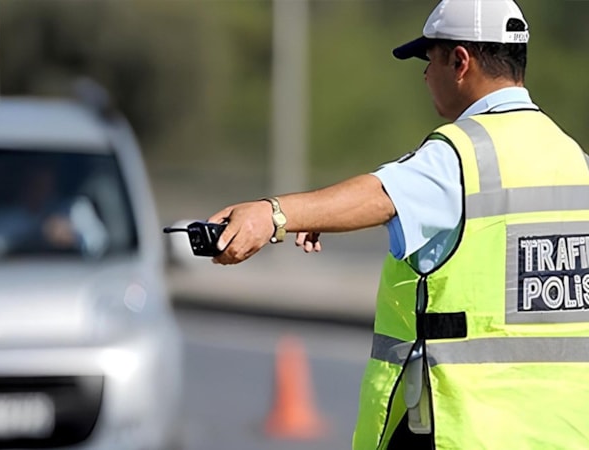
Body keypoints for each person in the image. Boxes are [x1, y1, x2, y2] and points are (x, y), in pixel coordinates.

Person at [207, 1, 589, 449]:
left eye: (429, 62)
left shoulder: (462, 154)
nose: (426, 76)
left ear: (460, 61)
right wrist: (328, 217)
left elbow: (381, 195)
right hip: (562, 430)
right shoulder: (572, 158)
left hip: (467, 431)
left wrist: (271, 214)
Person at [0, 166, 109, 258]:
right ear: (23, 183)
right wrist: (40, 235)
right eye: (35, 183)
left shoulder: (75, 209)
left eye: (46, 183)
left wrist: (72, 238)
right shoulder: (2, 218)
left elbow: (99, 244)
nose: (41, 190)